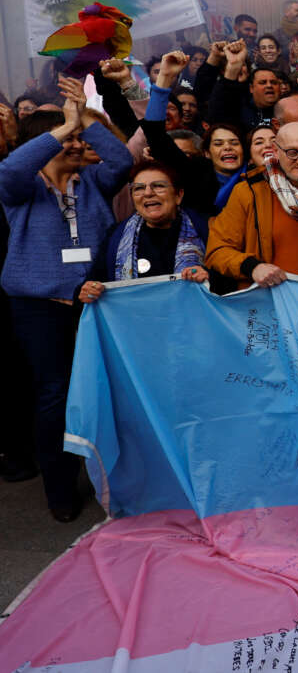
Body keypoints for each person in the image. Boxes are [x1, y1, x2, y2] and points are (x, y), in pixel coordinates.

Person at [0, 78, 132, 522]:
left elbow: (121, 159)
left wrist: (86, 120)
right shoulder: (22, 190)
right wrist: (62, 127)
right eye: (69, 139)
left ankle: (108, 474)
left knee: (100, 391)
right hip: (39, 310)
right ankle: (59, 489)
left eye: (78, 138)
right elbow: (10, 169)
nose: (78, 145)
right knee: (54, 394)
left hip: (93, 305)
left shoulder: (92, 181)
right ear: (44, 143)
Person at [205, 121, 298, 290]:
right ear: (276, 151)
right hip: (265, 304)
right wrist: (253, 267)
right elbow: (217, 250)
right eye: (292, 152)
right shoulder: (249, 192)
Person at [76, 161, 210, 298]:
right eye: (138, 188)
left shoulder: (205, 229)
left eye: (158, 186)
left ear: (178, 195)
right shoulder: (116, 236)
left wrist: (207, 277)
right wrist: (89, 290)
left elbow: (226, 284)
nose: (148, 193)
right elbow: (93, 283)